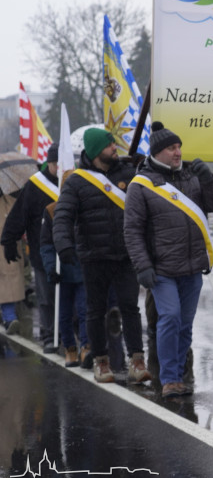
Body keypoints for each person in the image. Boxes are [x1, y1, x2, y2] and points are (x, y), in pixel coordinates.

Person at [124, 123, 213, 398]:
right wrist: (142, 266)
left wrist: (208, 178)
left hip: (192, 266)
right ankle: (169, 378)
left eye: (179, 147)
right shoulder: (140, 185)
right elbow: (132, 230)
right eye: (172, 148)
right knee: (169, 317)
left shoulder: (192, 177)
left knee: (184, 324)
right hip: (162, 268)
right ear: (158, 152)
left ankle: (178, 374)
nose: (178, 152)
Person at [52, 128, 150, 385]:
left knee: (130, 308)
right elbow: (62, 215)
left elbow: (147, 205)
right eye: (109, 145)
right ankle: (101, 362)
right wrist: (63, 245)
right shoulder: (76, 181)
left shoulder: (129, 175)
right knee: (95, 311)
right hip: (93, 257)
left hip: (125, 255)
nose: (114, 148)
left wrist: (146, 167)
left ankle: (137, 362)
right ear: (96, 151)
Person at [2, 143, 60, 351]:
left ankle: (70, 334)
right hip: (40, 250)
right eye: (57, 164)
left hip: (70, 252)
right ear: (50, 163)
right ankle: (48, 334)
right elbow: (20, 215)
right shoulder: (36, 185)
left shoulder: (72, 181)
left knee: (70, 296)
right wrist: (9, 240)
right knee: (45, 297)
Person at [40, 201, 89, 367]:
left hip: (83, 268)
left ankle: (86, 346)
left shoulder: (85, 207)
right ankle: (70, 348)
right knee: (64, 313)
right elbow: (46, 244)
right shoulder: (51, 210)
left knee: (85, 310)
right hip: (62, 271)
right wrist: (51, 268)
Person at [0, 188, 26, 336]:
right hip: (9, 248)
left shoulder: (10, 200)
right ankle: (9, 317)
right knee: (7, 283)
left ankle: (9, 317)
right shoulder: (10, 200)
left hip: (8, 249)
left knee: (8, 284)